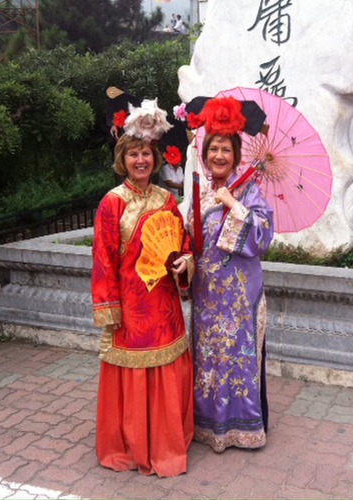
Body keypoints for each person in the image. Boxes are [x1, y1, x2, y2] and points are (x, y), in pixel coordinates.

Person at [91, 98, 194, 477]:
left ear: (156, 158)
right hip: (131, 311)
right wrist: (109, 309)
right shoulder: (111, 204)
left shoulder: (167, 200)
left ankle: (166, 440)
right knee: (133, 372)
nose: (141, 161)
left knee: (167, 366)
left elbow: (179, 246)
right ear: (124, 159)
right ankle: (131, 444)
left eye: (146, 154)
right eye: (134, 154)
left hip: (164, 305)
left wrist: (185, 262)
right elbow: (102, 261)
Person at [186, 97, 274, 453]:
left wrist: (233, 204)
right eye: (214, 149)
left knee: (239, 357)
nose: (219, 156)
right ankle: (207, 426)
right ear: (205, 153)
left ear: (236, 155)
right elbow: (191, 238)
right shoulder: (199, 191)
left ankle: (242, 427)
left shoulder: (249, 189)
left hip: (240, 294)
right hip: (207, 292)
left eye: (226, 149)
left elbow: (264, 235)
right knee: (207, 358)